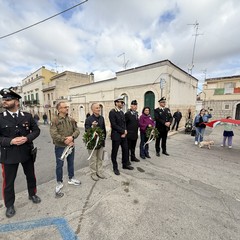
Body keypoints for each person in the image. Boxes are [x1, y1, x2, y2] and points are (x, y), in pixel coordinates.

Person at [0, 87, 41, 218]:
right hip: (9, 155)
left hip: (26, 152)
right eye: (3, 99)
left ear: (16, 102)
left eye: (8, 99)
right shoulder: (0, 118)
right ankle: (9, 205)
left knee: (30, 176)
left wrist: (27, 138)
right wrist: (10, 141)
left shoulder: (27, 116)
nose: (4, 101)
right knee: (9, 182)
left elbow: (36, 131)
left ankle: (32, 194)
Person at [50, 101, 80, 197]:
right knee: (59, 165)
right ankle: (59, 182)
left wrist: (72, 137)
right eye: (64, 107)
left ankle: (71, 178)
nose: (67, 108)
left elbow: (77, 130)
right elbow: (54, 134)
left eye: (67, 107)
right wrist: (65, 140)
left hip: (71, 145)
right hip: (60, 147)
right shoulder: (54, 120)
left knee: (71, 162)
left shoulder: (71, 119)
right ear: (59, 109)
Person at [109, 97, 134, 175]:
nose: (122, 104)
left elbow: (124, 123)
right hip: (116, 135)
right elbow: (113, 125)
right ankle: (115, 167)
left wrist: (125, 131)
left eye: (123, 103)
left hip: (123, 135)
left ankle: (125, 164)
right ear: (116, 103)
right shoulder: (112, 112)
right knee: (115, 152)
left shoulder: (122, 112)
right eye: (120, 102)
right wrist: (123, 131)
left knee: (125, 150)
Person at [85, 103, 106, 181]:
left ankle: (99, 172)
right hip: (92, 143)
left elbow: (103, 130)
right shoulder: (89, 119)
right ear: (92, 109)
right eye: (97, 108)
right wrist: (92, 127)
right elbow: (86, 130)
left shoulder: (102, 118)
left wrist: (103, 140)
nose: (99, 109)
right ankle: (93, 173)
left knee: (100, 159)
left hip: (100, 142)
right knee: (93, 159)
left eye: (99, 107)